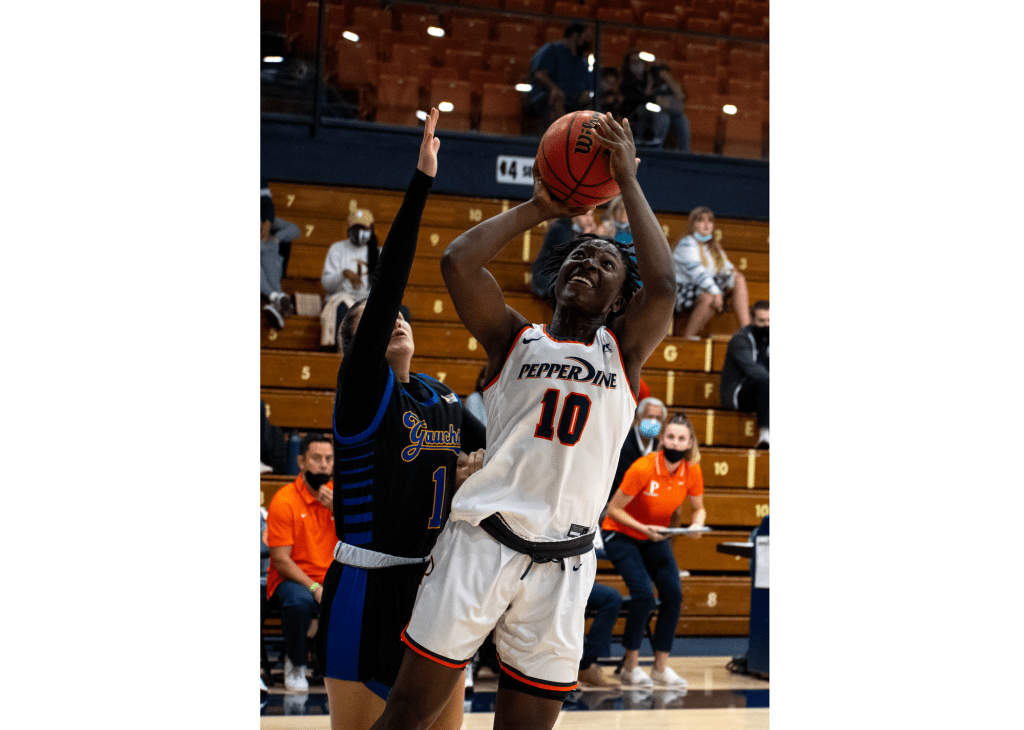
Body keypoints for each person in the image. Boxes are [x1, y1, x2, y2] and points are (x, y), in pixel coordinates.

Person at [369, 113, 677, 730]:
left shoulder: (623, 353)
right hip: (482, 542)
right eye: (577, 255)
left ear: (619, 301)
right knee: (407, 716)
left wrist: (626, 179)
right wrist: (541, 207)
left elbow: (665, 284)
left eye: (604, 262)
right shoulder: (514, 339)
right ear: (556, 277)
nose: (587, 261)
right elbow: (458, 262)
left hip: (565, 563)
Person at [314, 108, 487, 730]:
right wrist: (421, 183)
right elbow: (388, 283)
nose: (394, 318)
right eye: (371, 321)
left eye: (397, 315)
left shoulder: (441, 397)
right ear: (352, 349)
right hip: (366, 589)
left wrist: (475, 470)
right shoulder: (363, 392)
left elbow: (489, 453)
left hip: (434, 587)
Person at [601, 413, 707, 689]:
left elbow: (698, 507)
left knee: (673, 593)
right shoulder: (644, 467)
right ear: (662, 439)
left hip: (655, 536)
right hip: (621, 533)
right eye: (670, 436)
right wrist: (643, 528)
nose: (675, 441)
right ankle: (630, 667)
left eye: (681, 438)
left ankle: (660, 668)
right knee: (644, 595)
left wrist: (698, 523)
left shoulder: (691, 471)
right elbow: (613, 509)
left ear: (689, 443)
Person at [266, 433, 338, 692]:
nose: (324, 464)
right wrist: (314, 588)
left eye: (329, 459)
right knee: (299, 602)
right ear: (301, 461)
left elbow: (360, 543)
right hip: (293, 579)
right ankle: (295, 664)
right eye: (316, 458)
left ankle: (342, 669)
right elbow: (281, 561)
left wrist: (338, 512)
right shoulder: (285, 500)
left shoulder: (339, 499)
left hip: (331, 577)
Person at [672, 206, 751, 338]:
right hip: (681, 292)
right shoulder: (686, 244)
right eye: (701, 220)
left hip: (704, 288)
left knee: (739, 278)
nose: (707, 224)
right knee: (710, 296)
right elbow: (699, 274)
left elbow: (727, 268)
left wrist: (731, 280)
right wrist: (717, 292)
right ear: (693, 224)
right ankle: (688, 338)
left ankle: (747, 331)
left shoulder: (713, 246)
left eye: (710, 221)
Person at [320, 207, 380, 347]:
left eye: (363, 228)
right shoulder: (337, 249)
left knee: (401, 311)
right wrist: (343, 274)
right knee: (342, 309)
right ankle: (340, 354)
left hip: (368, 303)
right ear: (348, 228)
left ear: (371, 229)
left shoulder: (379, 253)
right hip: (342, 300)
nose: (359, 232)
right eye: (355, 227)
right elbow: (326, 284)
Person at [524, 22, 595, 130]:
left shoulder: (583, 61)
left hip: (574, 100)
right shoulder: (551, 49)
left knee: (593, 105)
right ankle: (563, 134)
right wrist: (553, 87)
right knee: (557, 98)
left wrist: (587, 94)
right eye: (587, 37)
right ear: (575, 35)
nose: (589, 41)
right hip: (547, 96)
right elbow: (539, 74)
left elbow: (588, 85)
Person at [720, 300, 769, 448]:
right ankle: (765, 436)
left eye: (770, 320)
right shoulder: (740, 339)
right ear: (752, 320)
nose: (767, 325)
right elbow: (753, 371)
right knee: (767, 383)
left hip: (764, 392)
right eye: (761, 321)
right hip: (738, 392)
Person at [530, 208, 600, 300]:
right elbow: (571, 260)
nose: (589, 219)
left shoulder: (583, 231)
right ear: (574, 216)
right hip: (547, 277)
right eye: (585, 215)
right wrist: (586, 238)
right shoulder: (560, 229)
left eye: (591, 215)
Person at [609, 396, 668, 503]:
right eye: (649, 417)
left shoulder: (660, 448)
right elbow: (622, 482)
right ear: (638, 417)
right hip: (616, 503)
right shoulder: (622, 443)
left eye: (658, 418)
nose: (654, 422)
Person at [262, 192, 300, 328]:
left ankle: (275, 299)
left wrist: (276, 238)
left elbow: (295, 230)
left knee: (269, 257)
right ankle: (278, 297)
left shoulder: (267, 223)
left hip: (271, 270)